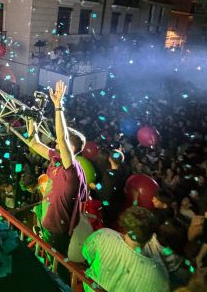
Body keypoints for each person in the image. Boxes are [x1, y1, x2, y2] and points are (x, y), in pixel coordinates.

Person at [25, 80, 87, 255]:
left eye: (61, 143)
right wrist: (31, 119)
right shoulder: (56, 158)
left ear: (71, 149)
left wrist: (58, 106)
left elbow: (62, 137)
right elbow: (34, 144)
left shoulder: (72, 170)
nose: (56, 143)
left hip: (57, 231)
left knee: (55, 266)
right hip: (47, 219)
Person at [82, 206, 169, 292]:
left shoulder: (103, 234)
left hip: (90, 288)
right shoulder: (160, 275)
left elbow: (85, 253)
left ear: (125, 226)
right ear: (151, 237)